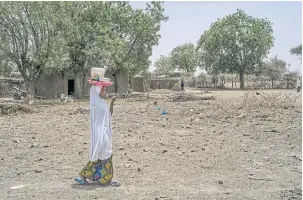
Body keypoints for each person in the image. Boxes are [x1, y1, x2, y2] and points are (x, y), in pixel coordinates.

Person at [75, 85, 119, 186]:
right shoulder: (97, 105)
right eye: (103, 90)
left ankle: (84, 175)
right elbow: (99, 122)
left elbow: (109, 116)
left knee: (101, 155)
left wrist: (112, 103)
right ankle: (107, 179)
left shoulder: (101, 103)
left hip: (104, 133)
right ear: (97, 92)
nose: (105, 92)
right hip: (101, 134)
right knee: (105, 154)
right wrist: (101, 136)